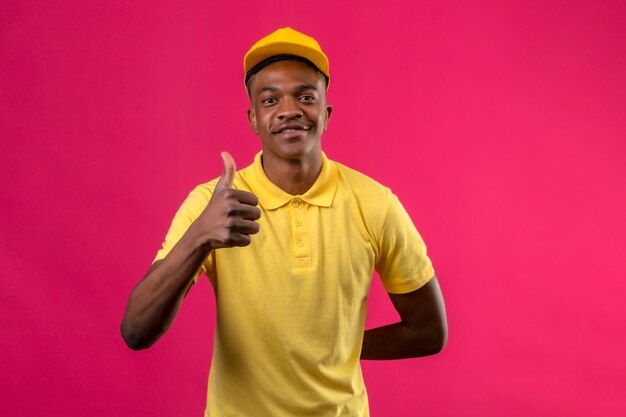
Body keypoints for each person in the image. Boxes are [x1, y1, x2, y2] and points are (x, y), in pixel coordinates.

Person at [121, 27, 447, 417]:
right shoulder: (213, 204)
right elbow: (136, 331)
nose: (289, 109)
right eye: (270, 99)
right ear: (254, 120)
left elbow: (428, 331)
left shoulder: (375, 204)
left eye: (305, 96)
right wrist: (199, 238)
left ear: (325, 115)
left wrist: (333, 350)